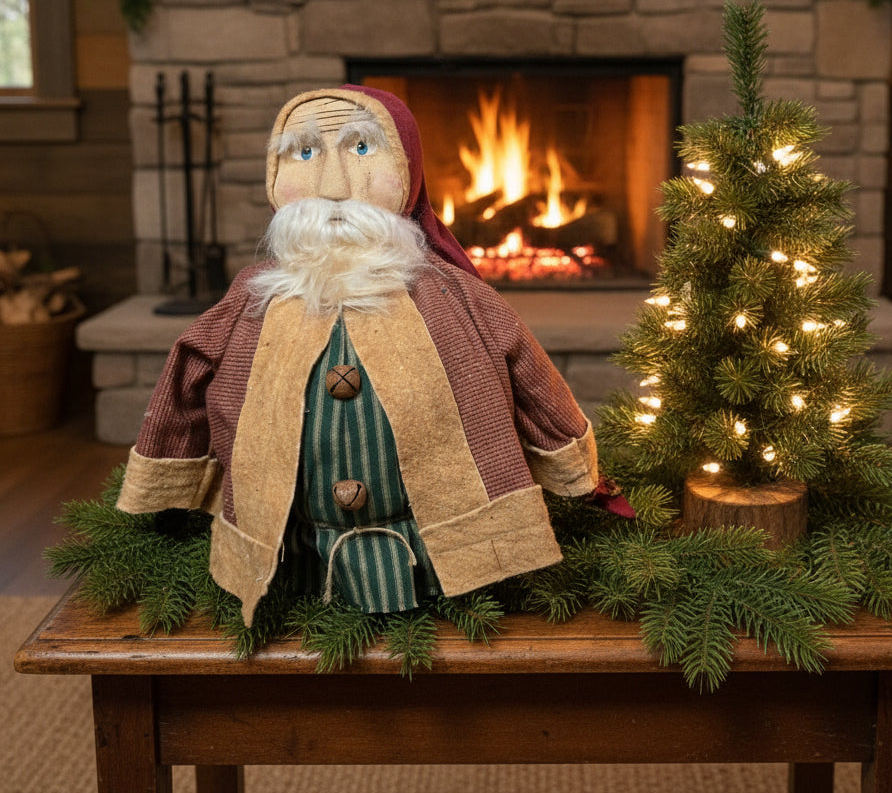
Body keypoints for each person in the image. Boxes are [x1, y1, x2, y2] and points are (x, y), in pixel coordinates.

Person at [116, 85, 601, 626]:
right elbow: (187, 373)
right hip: (290, 546)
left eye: (362, 149)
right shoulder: (251, 300)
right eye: (305, 152)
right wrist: (169, 478)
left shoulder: (453, 295)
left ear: (408, 172)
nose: (334, 186)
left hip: (437, 543)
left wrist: (573, 468)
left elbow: (530, 373)